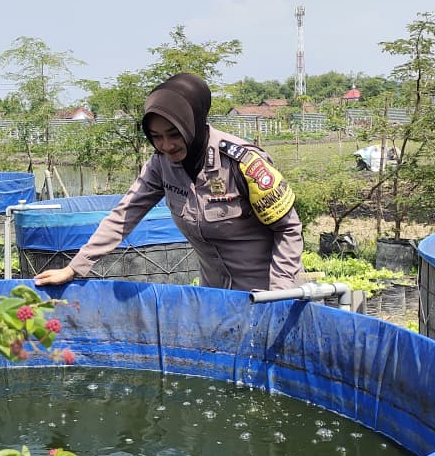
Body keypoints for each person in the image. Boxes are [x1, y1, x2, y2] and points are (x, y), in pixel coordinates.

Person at [34, 73, 304, 292]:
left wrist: (279, 294)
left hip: (266, 295)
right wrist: (74, 268)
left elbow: (288, 229)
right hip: (216, 297)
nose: (166, 145)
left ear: (194, 124)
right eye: (156, 137)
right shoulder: (160, 164)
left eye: (174, 134)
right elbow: (123, 216)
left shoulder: (242, 163)